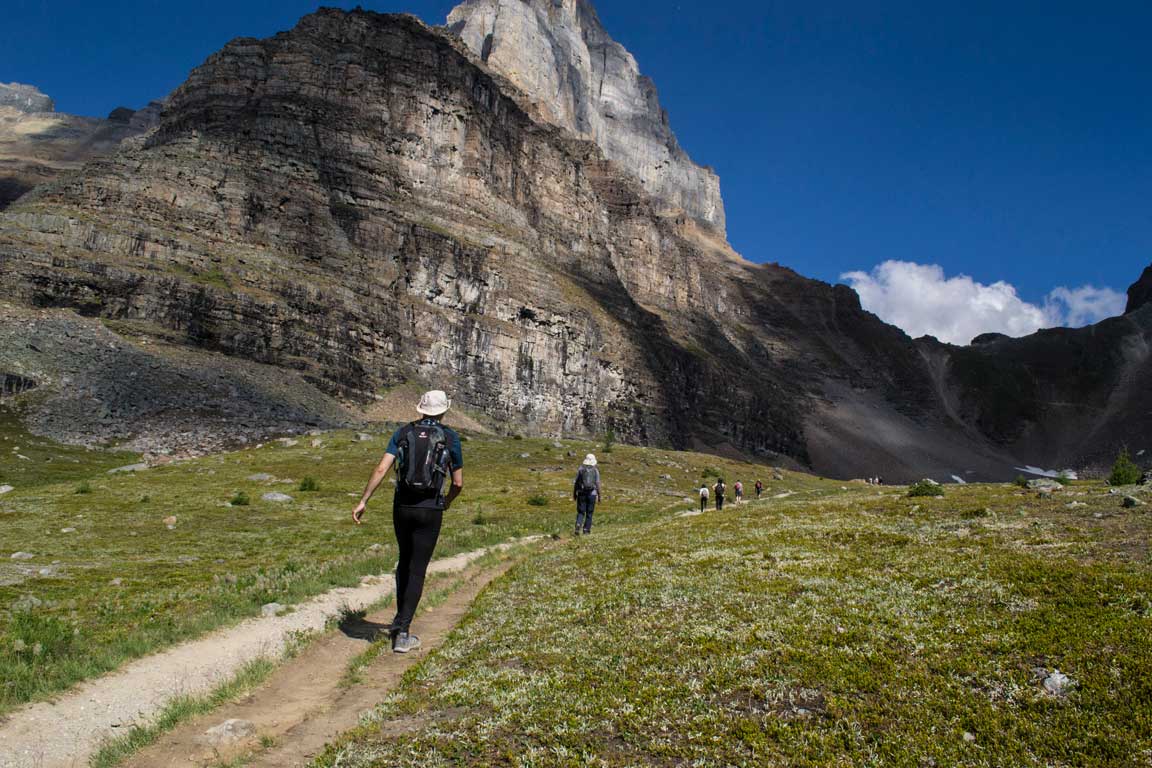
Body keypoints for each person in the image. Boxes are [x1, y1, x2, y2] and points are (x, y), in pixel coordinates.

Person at [352, 390, 463, 654]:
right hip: (430, 509)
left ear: (421, 409)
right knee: (418, 568)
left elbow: (382, 468)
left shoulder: (402, 433)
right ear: (443, 411)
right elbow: (458, 483)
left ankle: (398, 620)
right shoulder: (450, 437)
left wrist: (364, 500)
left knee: (404, 560)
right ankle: (402, 631)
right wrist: (446, 501)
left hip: (402, 506)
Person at [573, 453, 601, 535]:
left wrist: (574, 493)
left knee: (581, 512)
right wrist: (599, 496)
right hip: (592, 494)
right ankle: (586, 530)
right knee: (589, 513)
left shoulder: (580, 470)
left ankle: (578, 524)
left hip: (581, 494)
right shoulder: (595, 470)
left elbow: (576, 483)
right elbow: (598, 484)